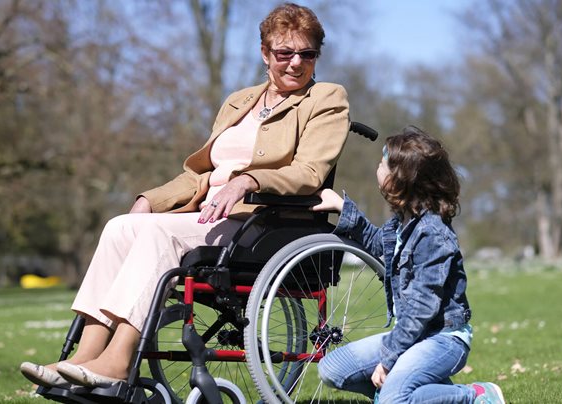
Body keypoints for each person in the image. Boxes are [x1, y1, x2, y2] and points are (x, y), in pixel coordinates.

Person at [20, 2, 349, 389]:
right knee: (121, 227)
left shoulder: (326, 98)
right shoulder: (239, 101)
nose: (296, 62)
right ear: (265, 54)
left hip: (263, 222)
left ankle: (118, 359)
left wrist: (248, 181)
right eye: (284, 53)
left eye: (307, 54)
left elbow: (309, 173)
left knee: (159, 236)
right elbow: (200, 175)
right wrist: (151, 201)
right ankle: (84, 355)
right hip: (211, 214)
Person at [313, 127, 505, 403]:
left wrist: (389, 360)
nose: (377, 167)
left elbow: (421, 308)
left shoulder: (433, 235)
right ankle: (408, 391)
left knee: (394, 399)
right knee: (332, 369)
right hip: (412, 335)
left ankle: (474, 396)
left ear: (401, 179)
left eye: (383, 164)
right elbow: (380, 245)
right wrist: (344, 209)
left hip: (443, 339)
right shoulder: (402, 223)